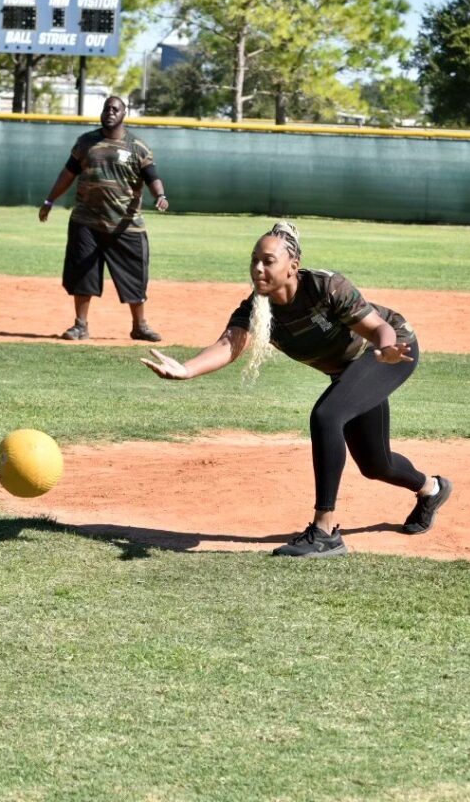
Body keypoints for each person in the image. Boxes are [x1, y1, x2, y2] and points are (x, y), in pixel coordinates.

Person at [139, 221, 453, 558]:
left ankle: (325, 530)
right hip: (350, 371)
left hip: (390, 353)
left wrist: (387, 349)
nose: (258, 268)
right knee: (376, 464)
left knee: (327, 416)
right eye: (254, 260)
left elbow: (378, 327)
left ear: (293, 266)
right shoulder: (257, 310)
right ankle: (431, 489)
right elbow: (230, 344)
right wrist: (186, 369)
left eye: (268, 261)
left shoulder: (324, 287)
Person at [38, 95, 169, 341]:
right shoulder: (86, 143)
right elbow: (67, 175)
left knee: (135, 278)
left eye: (115, 109)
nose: (109, 112)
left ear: (123, 114)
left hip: (125, 225)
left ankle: (139, 325)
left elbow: (152, 176)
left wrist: (160, 195)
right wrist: (49, 200)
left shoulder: (137, 147)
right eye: (106, 108)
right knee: (82, 275)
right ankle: (80, 325)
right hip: (86, 222)